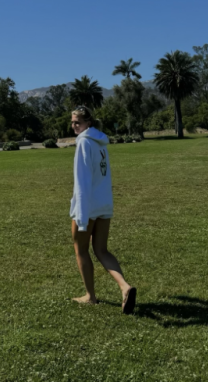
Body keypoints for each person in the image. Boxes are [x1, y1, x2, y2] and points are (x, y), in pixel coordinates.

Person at [69, 105, 136, 314]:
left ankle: (90, 296)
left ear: (88, 123)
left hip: (87, 206)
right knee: (101, 249)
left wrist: (81, 215)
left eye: (77, 122)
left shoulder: (83, 143)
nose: (74, 126)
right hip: (104, 203)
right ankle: (125, 287)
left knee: (81, 249)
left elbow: (82, 181)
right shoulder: (101, 144)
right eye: (72, 122)